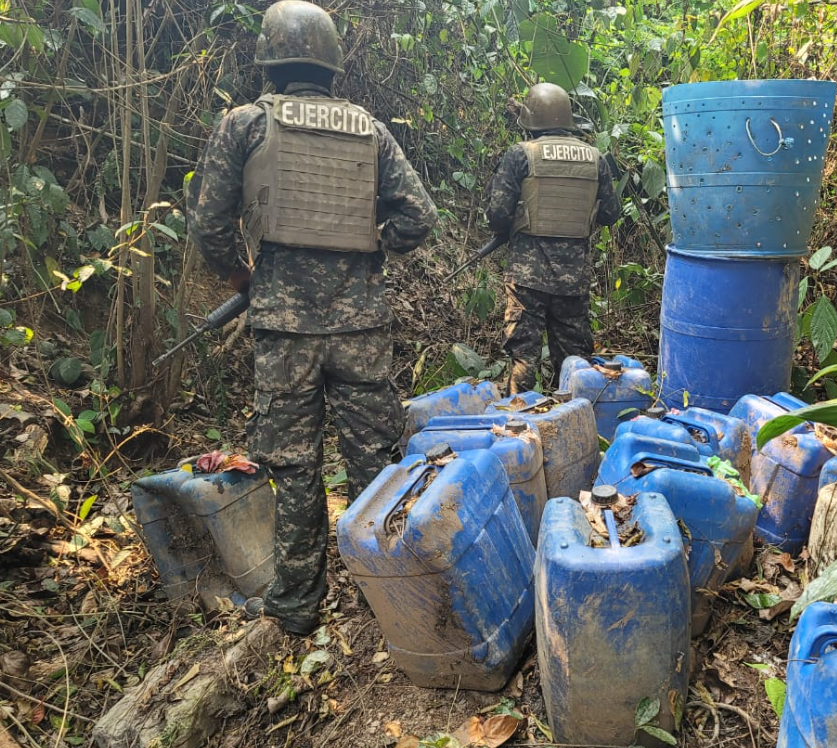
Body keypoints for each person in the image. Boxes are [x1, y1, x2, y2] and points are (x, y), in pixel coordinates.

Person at [188, 0, 437, 636]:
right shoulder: (368, 128)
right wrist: (369, 244)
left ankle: (298, 606)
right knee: (375, 459)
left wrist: (244, 276)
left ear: (271, 58)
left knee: (295, 465)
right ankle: (384, 595)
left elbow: (209, 225)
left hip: (284, 331)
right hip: (361, 329)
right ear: (331, 63)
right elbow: (419, 217)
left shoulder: (245, 123)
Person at [485, 82, 620, 394]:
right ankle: (577, 421)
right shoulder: (595, 158)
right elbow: (610, 213)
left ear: (531, 121)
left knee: (523, 358)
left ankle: (521, 426)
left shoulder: (521, 154)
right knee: (575, 362)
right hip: (573, 279)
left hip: (527, 279)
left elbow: (497, 215)